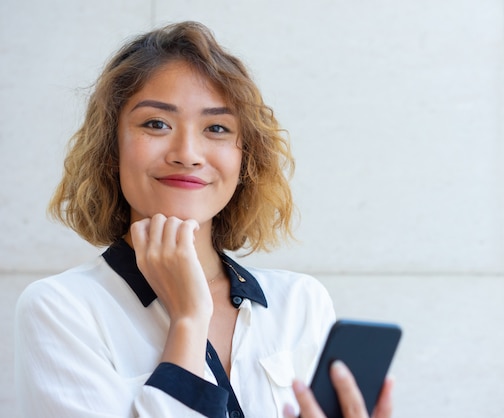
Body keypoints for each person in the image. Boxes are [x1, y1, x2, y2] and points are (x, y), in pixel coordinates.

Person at [14, 21, 393, 418]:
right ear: (112, 148)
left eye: (216, 128)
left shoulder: (301, 304)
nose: (188, 153)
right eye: (156, 124)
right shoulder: (62, 309)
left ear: (245, 159)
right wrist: (189, 320)